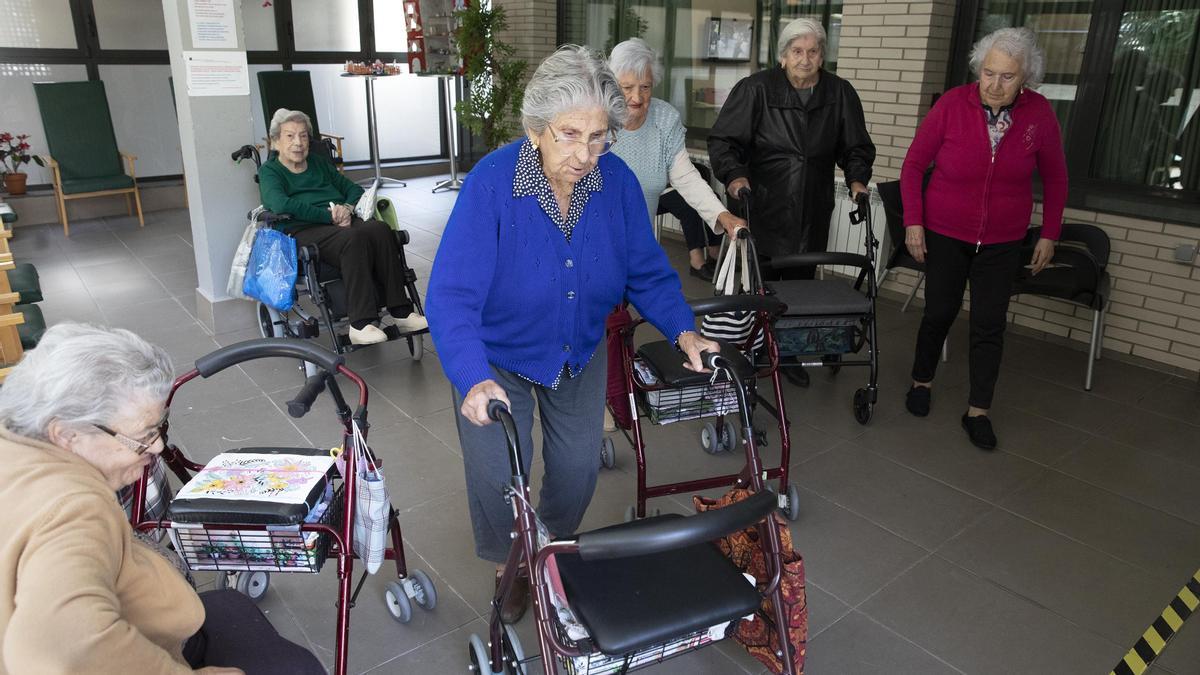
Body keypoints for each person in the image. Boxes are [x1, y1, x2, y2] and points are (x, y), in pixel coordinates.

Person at [426, 45, 720, 624]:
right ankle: (510, 564)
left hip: (576, 350)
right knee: (499, 471)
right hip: (497, 357)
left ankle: (550, 546)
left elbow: (646, 270)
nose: (585, 154)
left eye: (599, 137)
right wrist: (472, 378)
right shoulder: (493, 184)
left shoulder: (614, 184)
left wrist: (685, 331)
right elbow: (450, 296)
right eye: (569, 135)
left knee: (579, 468)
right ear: (536, 128)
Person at [0, 323, 324, 674]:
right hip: (159, 649)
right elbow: (61, 648)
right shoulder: (73, 509)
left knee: (233, 607)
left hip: (152, 626)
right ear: (66, 435)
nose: (156, 446)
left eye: (158, 429)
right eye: (142, 435)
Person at [900, 27, 1067, 450]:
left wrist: (1049, 233)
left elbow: (1056, 177)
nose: (994, 84)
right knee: (938, 312)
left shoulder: (1039, 114)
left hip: (1003, 239)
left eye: (1007, 77)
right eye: (988, 73)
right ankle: (921, 382)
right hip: (945, 231)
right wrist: (914, 223)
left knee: (990, 324)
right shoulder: (953, 104)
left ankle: (979, 410)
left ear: (1025, 77)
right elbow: (914, 165)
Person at [708, 17, 874, 386]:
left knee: (801, 283)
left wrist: (857, 180)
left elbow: (856, 146)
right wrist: (735, 176)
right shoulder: (756, 90)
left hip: (812, 207)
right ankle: (755, 346)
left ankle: (789, 351)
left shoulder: (840, 93)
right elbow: (723, 142)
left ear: (822, 57)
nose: (805, 59)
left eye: (813, 51)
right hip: (763, 204)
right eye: (797, 51)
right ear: (782, 57)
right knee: (760, 282)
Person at [258, 108, 427, 345]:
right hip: (303, 229)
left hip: (339, 221)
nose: (298, 142)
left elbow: (353, 189)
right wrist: (329, 216)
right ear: (275, 142)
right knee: (353, 239)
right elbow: (280, 203)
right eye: (290, 136)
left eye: (304, 136)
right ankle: (360, 324)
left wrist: (346, 209)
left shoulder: (318, 163)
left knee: (379, 230)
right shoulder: (270, 171)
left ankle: (401, 312)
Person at [608, 37, 746, 280]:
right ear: (612, 85)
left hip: (638, 250)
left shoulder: (664, 119)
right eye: (627, 87)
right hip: (592, 248)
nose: (637, 98)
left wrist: (722, 215)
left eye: (645, 87)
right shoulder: (597, 119)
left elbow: (686, 178)